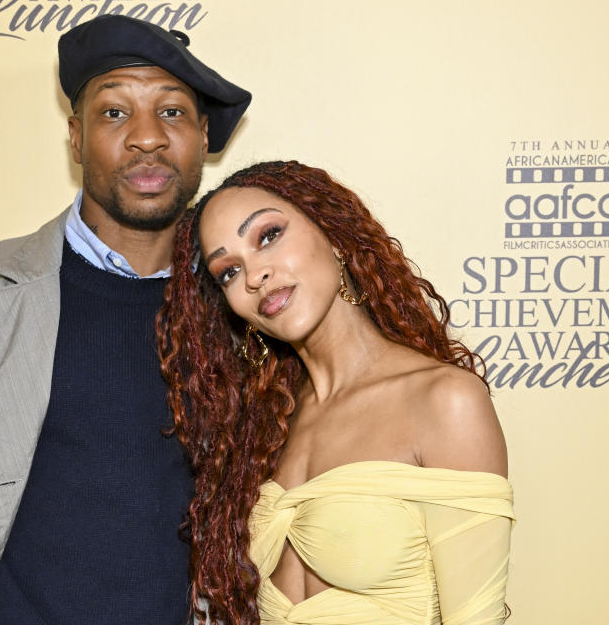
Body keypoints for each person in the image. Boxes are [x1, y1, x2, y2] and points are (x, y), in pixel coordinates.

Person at [0, 15, 250, 625]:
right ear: (75, 137)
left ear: (203, 135)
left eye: (172, 112)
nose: (147, 137)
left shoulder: (246, 305)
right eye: (114, 113)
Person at [157, 161, 516, 625]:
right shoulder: (262, 429)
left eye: (268, 236)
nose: (254, 276)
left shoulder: (445, 402)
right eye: (229, 271)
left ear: (333, 233)